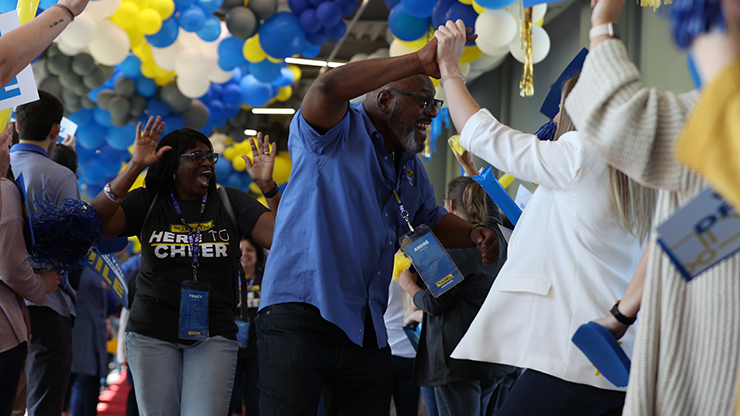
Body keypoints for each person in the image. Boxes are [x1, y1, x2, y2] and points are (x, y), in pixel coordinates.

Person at [256, 29, 500, 416]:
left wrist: (472, 232)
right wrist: (419, 61)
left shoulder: (410, 167)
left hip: (366, 328)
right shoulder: (333, 134)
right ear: (384, 99)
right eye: (423, 101)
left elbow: (430, 219)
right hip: (302, 312)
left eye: (434, 103)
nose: (433, 113)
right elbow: (326, 88)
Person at [435, 20, 656, 415]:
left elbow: (480, 132)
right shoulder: (642, 170)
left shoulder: (577, 155)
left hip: (571, 353)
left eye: (559, 112)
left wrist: (450, 67)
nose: (551, 120)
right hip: (622, 353)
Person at [561, 0, 740, 413]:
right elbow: (688, 238)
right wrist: (621, 316)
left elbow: (617, 119)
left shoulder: (719, 122)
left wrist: (602, 24)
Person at [88, 118, 277, 416]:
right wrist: (136, 165)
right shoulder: (150, 200)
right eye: (196, 156)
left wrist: (268, 187)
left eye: (210, 156)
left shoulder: (230, 201)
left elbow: (284, 235)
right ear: (173, 165)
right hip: (152, 331)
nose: (207, 163)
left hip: (214, 332)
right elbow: (97, 225)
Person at [399, 176, 515, 416]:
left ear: (450, 206)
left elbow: (434, 303)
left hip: (457, 361)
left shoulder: (449, 250)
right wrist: (472, 170)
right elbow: (490, 208)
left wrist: (410, 286)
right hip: (492, 358)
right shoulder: (495, 237)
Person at [9, 90, 81, 416]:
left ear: (17, 125)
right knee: (43, 403)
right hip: (47, 299)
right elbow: (72, 244)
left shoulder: (4, 164)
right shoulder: (60, 175)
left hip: (5, 300)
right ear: (55, 130)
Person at [0, 128, 62, 416]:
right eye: (3, 143)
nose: (8, 152)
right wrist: (41, 285)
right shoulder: (4, 190)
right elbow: (11, 268)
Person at [229, 238, 265, 416]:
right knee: (229, 400)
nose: (244, 254)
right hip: (230, 349)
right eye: (240, 250)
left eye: (249, 250)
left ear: (257, 255)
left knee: (254, 401)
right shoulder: (227, 281)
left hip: (257, 352)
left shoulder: (266, 279)